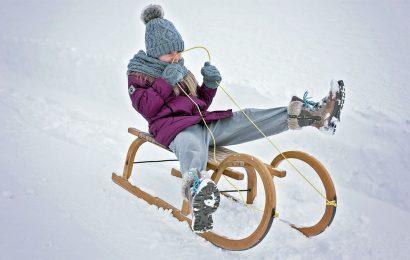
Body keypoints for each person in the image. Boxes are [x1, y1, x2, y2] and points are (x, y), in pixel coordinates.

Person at [126, 4, 345, 233]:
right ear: (154, 52)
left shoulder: (179, 68)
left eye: (179, 52)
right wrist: (165, 81)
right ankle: (199, 198)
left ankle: (313, 116)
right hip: (175, 131)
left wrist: (209, 85)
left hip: (203, 123)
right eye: (171, 53)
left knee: (247, 117)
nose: (177, 57)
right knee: (192, 149)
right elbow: (146, 108)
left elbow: (198, 102)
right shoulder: (139, 73)